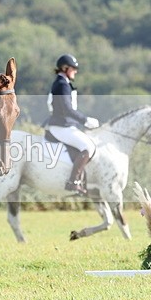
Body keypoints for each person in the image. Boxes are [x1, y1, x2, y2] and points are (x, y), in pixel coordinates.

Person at [45, 54, 99, 195]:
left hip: (65, 124)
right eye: (73, 69)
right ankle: (73, 182)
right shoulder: (62, 85)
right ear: (65, 68)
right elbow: (67, 109)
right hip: (61, 126)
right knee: (88, 147)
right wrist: (85, 120)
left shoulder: (63, 83)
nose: (76, 71)